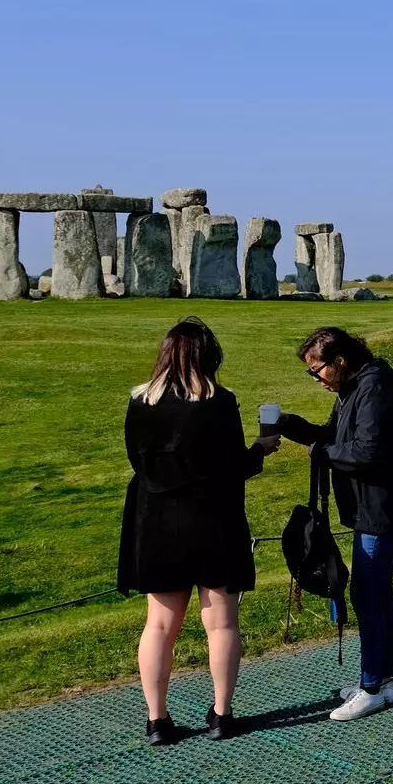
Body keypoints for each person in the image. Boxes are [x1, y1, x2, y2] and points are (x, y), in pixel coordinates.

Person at [118, 318, 274, 745]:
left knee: (160, 626)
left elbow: (137, 460)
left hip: (157, 520)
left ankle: (157, 719)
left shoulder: (139, 402)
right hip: (213, 518)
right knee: (222, 625)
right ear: (209, 357)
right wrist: (259, 451)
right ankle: (222, 714)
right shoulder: (220, 402)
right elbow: (232, 467)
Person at [273, 327, 393, 721]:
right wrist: (291, 426)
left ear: (340, 361)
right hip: (371, 505)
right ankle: (382, 680)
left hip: (380, 506)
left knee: (368, 594)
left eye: (316, 369)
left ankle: (372, 686)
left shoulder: (373, 387)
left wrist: (320, 451)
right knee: (376, 593)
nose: (315, 378)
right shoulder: (353, 389)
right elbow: (334, 437)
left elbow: (365, 451)